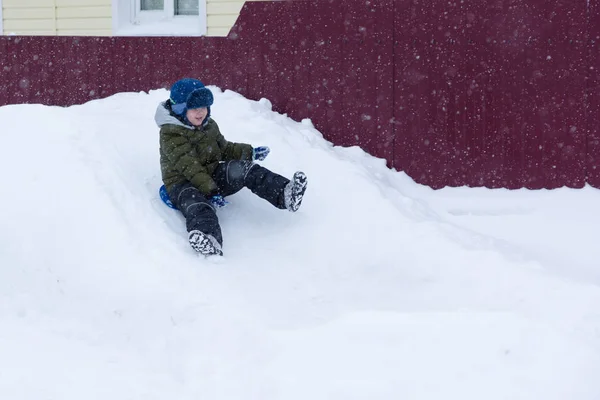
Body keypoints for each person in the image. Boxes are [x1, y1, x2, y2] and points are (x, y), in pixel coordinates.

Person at [155, 78, 307, 256]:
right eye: (194, 108)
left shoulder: (208, 125)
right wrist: (211, 191)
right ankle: (208, 239)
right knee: (199, 206)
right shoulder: (171, 133)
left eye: (203, 107)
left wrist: (249, 153)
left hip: (209, 175)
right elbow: (190, 167)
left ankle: (284, 193)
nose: (200, 113)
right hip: (182, 184)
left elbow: (224, 149)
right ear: (180, 109)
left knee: (244, 168)